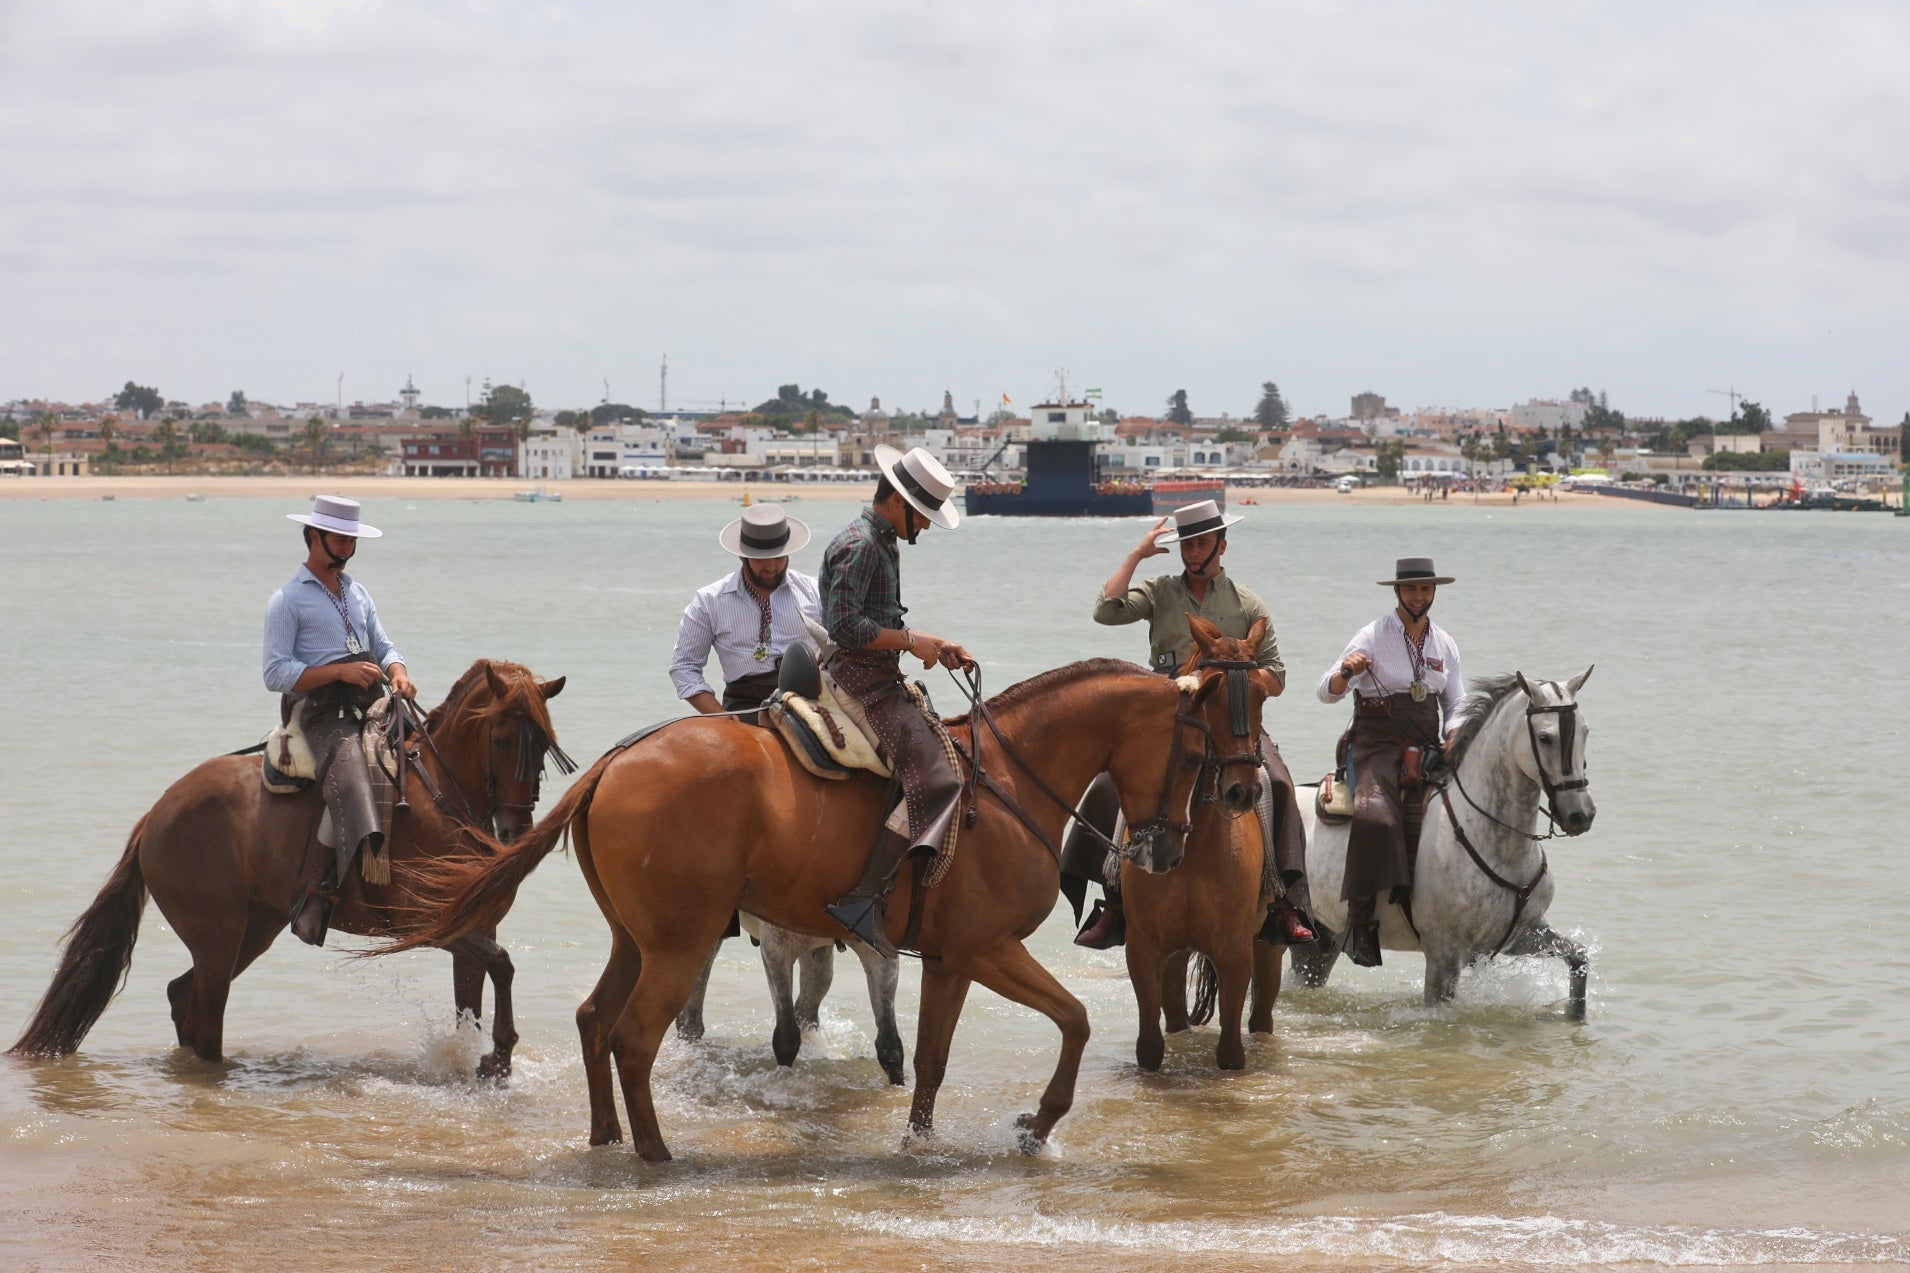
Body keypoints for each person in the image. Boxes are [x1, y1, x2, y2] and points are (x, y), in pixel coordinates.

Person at [1075, 499, 1316, 949]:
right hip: (1167, 720)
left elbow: (1277, 677)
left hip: (1233, 720)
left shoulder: (1247, 603)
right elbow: (1105, 611)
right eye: (1187, 543)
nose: (1192, 551)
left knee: (1278, 784)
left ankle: (1284, 900)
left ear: (1222, 546)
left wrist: (1232, 679)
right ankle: (1113, 898)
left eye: (1202, 542)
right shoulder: (1161, 590)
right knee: (1110, 784)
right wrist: (1136, 555)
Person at [820, 445, 971, 957]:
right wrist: (910, 643)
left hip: (877, 674)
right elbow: (844, 626)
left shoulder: (881, 539)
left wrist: (932, 642)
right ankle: (863, 898)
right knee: (939, 778)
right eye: (924, 516)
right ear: (900, 503)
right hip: (861, 682)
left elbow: (875, 620)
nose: (926, 527)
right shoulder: (863, 545)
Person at [263, 495, 416, 947]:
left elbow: (385, 645)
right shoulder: (287, 599)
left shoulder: (357, 591)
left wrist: (399, 672)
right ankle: (318, 892)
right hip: (320, 711)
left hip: (370, 700)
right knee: (351, 776)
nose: (347, 545)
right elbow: (275, 673)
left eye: (351, 538)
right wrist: (339, 671)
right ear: (314, 537)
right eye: (339, 537)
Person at [1317, 556, 1467, 967]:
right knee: (1378, 817)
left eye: (1425, 589)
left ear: (1434, 592)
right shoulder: (1371, 634)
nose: (1419, 596)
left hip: (1426, 743)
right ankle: (1360, 917)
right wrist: (1346, 673)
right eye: (1411, 589)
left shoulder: (1445, 643)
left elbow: (1456, 701)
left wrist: (1454, 732)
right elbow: (1324, 692)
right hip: (1374, 745)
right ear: (1398, 592)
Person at [669, 503, 821, 722]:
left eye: (779, 558)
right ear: (742, 556)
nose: (771, 567)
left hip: (810, 700)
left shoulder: (815, 592)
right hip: (745, 706)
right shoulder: (709, 601)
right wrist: (722, 717)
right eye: (761, 559)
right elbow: (683, 667)